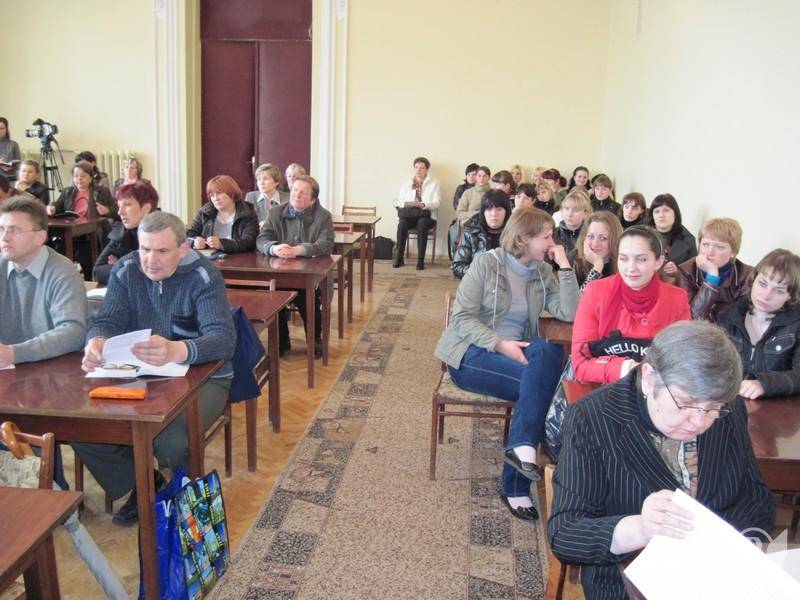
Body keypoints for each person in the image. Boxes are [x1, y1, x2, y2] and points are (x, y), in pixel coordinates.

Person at [549, 320, 774, 600]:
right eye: (685, 403)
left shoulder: (728, 408)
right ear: (649, 377)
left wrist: (735, 551)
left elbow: (755, 497)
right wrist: (641, 527)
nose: (699, 422)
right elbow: (565, 534)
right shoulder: (593, 418)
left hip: (716, 579)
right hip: (626, 583)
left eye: (712, 408)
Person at [73, 211, 235, 525]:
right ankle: (144, 482)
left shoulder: (203, 276)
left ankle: (181, 501)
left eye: (161, 251)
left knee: (171, 444)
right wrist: (96, 340)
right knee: (84, 429)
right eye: (145, 249)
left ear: (183, 249)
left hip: (203, 377)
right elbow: (106, 321)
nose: (150, 260)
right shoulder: (126, 269)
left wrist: (178, 349)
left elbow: (223, 339)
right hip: (139, 373)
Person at [435, 207, 579, 521]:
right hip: (471, 354)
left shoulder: (542, 271)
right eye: (546, 237)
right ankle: (516, 484)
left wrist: (565, 266)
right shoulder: (487, 264)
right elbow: (461, 319)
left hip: (519, 356)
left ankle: (521, 450)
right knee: (544, 387)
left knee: (548, 352)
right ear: (524, 238)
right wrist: (500, 344)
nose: (552, 243)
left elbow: (570, 312)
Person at [571, 225, 690, 384]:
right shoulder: (595, 292)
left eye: (641, 259)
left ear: (658, 262)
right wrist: (629, 368)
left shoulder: (677, 299)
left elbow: (681, 362)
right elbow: (580, 363)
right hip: (606, 389)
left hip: (656, 390)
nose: (631, 268)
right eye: (623, 258)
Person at [0, 196, 87, 368]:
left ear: (40, 237)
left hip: (53, 372)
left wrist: (14, 353)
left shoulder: (62, 272)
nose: (4, 237)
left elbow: (73, 332)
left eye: (14, 230)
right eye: (1, 229)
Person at [257, 174, 334, 358]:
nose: (297, 195)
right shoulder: (276, 212)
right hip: (279, 272)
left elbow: (326, 244)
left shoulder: (323, 216)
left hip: (309, 274)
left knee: (308, 299)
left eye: (303, 193)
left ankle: (314, 340)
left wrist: (299, 249)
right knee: (273, 297)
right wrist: (274, 248)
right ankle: (281, 342)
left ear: (313, 199)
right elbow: (262, 239)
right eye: (295, 190)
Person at [719, 249, 800, 399]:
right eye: (762, 284)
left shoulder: (796, 325)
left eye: (778, 291)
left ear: (791, 296)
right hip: (733, 404)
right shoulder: (728, 318)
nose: (766, 295)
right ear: (753, 279)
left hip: (780, 408)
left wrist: (765, 384)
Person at [675, 217, 751, 322]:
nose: (709, 253)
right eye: (705, 244)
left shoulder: (747, 276)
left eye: (719, 247)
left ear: (733, 252)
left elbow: (741, 318)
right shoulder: (686, 272)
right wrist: (712, 278)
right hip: (697, 331)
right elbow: (692, 318)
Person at [93, 181, 158, 284]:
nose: (120, 212)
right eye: (119, 206)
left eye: (127, 205)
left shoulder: (161, 235)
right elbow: (98, 271)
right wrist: (124, 268)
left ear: (146, 208)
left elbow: (154, 277)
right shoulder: (122, 232)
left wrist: (120, 266)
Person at [187, 175, 259, 254]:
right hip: (209, 258)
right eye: (212, 195)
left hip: (238, 259)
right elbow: (188, 236)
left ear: (232, 193)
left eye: (219, 193)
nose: (215, 198)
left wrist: (222, 244)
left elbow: (249, 242)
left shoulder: (247, 212)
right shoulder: (205, 212)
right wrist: (194, 242)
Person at [392, 156, 441, 270]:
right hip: (409, 215)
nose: (418, 170)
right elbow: (399, 201)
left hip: (426, 216)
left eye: (422, 168)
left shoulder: (434, 184)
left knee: (423, 223)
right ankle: (399, 257)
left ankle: (420, 260)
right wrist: (409, 203)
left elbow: (437, 202)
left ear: (426, 170)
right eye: (416, 167)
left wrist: (423, 204)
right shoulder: (406, 184)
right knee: (402, 224)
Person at [451, 189, 511, 279]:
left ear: (506, 212)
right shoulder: (471, 231)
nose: (494, 214)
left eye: (499, 209)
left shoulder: (516, 232)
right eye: (489, 209)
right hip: (479, 283)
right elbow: (458, 267)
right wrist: (481, 272)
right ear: (483, 212)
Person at [650, 193, 697, 280]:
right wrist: (659, 269)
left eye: (666, 210)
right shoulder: (643, 237)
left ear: (675, 214)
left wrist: (678, 272)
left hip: (677, 285)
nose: (661, 215)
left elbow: (694, 273)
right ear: (652, 216)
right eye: (657, 211)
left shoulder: (688, 239)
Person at [572, 211, 623, 290]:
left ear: (614, 240)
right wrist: (597, 266)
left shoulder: (624, 266)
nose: (595, 244)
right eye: (591, 236)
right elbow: (580, 297)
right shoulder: (573, 261)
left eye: (603, 238)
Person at [48, 161, 116, 219]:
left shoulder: (102, 191)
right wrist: (51, 209)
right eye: (76, 176)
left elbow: (116, 211)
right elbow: (57, 206)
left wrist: (107, 210)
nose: (79, 178)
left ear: (90, 178)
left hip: (94, 228)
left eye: (83, 176)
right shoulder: (67, 192)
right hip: (72, 227)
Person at [554, 188, 592, 261]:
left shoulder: (590, 235)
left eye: (576, 210)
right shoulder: (553, 234)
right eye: (566, 208)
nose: (569, 214)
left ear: (585, 213)